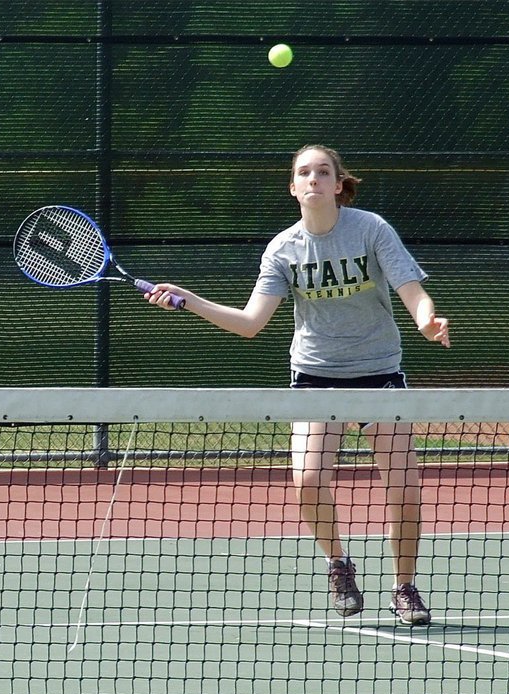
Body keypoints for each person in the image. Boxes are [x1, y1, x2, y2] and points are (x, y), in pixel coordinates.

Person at [146, 144, 450, 625]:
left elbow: (412, 293)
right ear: (293, 187)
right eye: (304, 173)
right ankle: (338, 563)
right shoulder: (283, 248)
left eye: (322, 172)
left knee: (405, 487)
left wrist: (428, 321)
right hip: (315, 376)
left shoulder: (371, 229)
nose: (313, 179)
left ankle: (404, 587)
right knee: (308, 480)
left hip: (381, 373)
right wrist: (190, 299)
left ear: (336, 183)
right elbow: (251, 322)